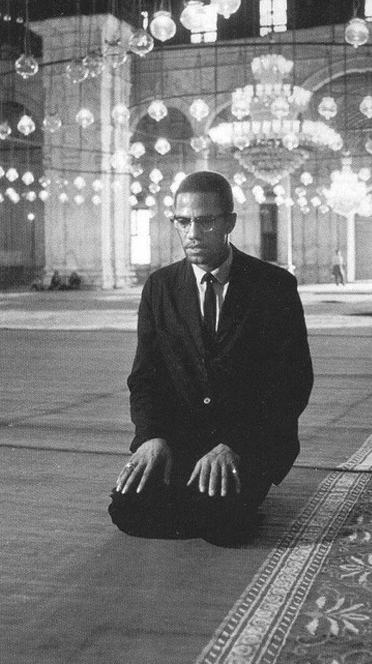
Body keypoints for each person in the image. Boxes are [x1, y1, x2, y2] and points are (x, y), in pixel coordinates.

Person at [109, 171, 313, 543]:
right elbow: (145, 378)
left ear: (229, 222)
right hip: (180, 439)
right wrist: (152, 437)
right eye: (182, 222)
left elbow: (292, 384)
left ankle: (216, 500)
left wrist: (235, 444)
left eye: (205, 222)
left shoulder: (273, 287)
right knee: (127, 510)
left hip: (248, 441)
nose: (192, 233)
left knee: (223, 527)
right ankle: (197, 499)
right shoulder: (160, 287)